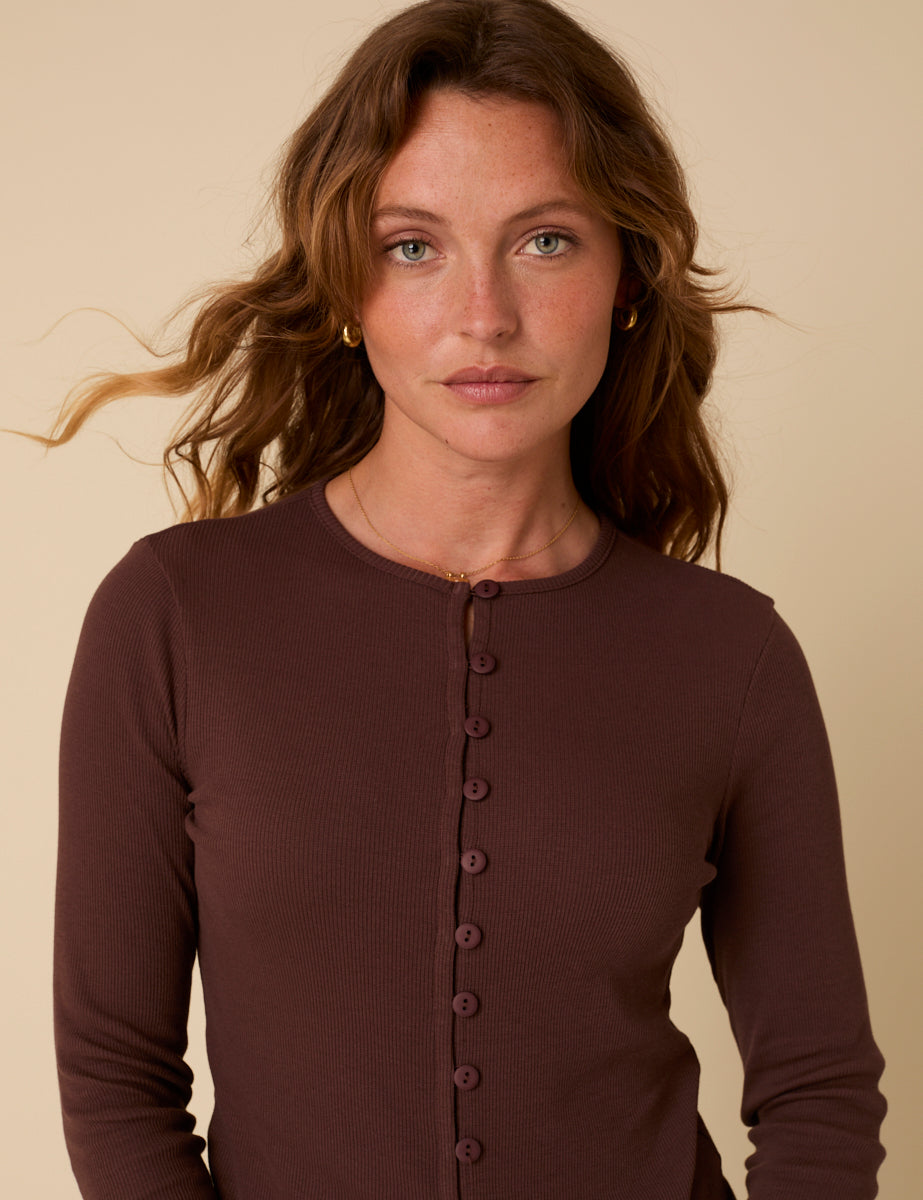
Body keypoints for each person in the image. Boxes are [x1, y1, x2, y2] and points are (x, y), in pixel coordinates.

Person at [43, 0, 885, 1196]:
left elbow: (816, 1091)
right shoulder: (174, 615)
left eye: (544, 240)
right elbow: (114, 1077)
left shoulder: (729, 654)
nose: (482, 315)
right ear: (346, 289)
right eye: (412, 246)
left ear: (625, 277)